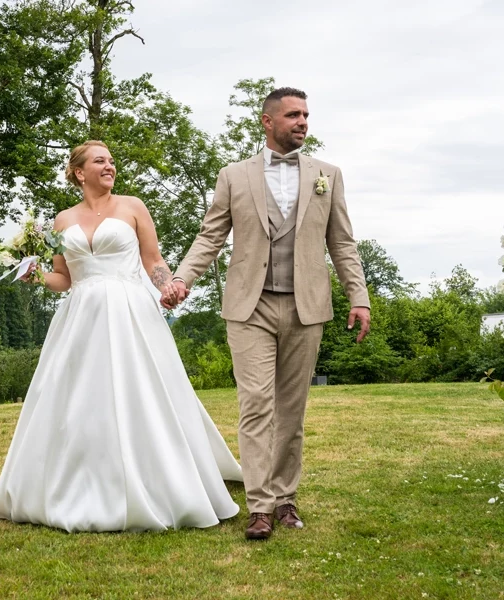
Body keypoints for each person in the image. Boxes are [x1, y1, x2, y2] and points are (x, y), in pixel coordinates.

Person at [0, 140, 243, 532]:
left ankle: (160, 479)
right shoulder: (62, 219)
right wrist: (32, 273)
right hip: (81, 315)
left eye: (112, 161)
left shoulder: (133, 206)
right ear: (79, 172)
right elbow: (63, 279)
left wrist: (169, 285)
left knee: (141, 391)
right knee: (80, 399)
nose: (109, 167)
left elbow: (153, 260)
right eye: (99, 161)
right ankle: (77, 480)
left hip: (129, 310)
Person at [167, 88, 371, 540]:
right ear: (267, 121)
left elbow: (342, 242)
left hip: (307, 306)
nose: (302, 121)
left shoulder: (328, 175)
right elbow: (210, 236)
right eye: (293, 115)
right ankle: (258, 506)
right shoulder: (234, 176)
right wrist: (183, 279)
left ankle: (285, 498)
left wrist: (359, 297)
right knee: (255, 403)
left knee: (291, 411)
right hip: (249, 305)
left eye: (306, 115)